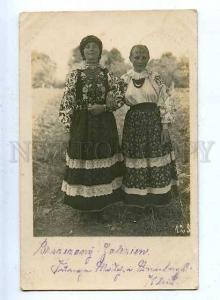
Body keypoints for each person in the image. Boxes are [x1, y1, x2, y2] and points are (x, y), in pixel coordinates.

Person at [59, 35, 125, 212]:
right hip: (82, 124)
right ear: (82, 52)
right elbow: (67, 101)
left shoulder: (107, 74)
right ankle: (84, 205)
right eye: (87, 47)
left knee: (102, 157)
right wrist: (68, 127)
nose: (91, 50)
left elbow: (120, 97)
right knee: (84, 157)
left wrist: (104, 107)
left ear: (100, 51)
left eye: (95, 47)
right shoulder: (75, 75)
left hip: (104, 123)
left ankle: (102, 205)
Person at [121, 45, 178, 208]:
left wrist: (165, 127)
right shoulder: (124, 79)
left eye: (143, 57)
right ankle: (137, 198)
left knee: (155, 154)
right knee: (137, 156)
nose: (140, 60)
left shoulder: (155, 77)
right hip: (133, 124)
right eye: (136, 57)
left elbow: (165, 100)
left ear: (148, 58)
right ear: (130, 59)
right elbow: (116, 99)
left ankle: (157, 197)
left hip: (154, 122)